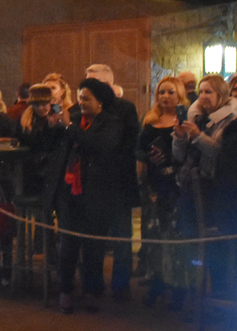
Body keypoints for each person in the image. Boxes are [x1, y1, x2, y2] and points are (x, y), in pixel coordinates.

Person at [54, 78, 122, 314]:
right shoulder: (72, 119)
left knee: (94, 245)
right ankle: (65, 291)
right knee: (68, 245)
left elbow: (99, 146)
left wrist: (69, 129)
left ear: (100, 103)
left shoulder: (111, 123)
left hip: (97, 192)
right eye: (80, 97)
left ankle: (93, 291)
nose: (81, 103)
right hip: (70, 192)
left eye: (86, 99)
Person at [172, 74, 237, 303]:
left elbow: (221, 156)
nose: (202, 97)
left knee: (216, 245)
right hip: (193, 187)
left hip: (216, 191)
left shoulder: (231, 120)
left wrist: (198, 137)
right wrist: (180, 138)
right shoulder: (197, 118)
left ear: (221, 95)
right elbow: (180, 156)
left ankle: (217, 294)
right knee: (192, 240)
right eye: (200, 92)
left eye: (208, 92)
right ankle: (195, 293)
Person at [85, 64, 139, 303]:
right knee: (93, 239)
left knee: (121, 238)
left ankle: (120, 286)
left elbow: (128, 144)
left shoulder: (125, 109)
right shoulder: (82, 109)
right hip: (91, 184)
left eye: (93, 83)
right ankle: (93, 285)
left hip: (118, 182)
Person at [136, 77, 188, 307]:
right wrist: (148, 159)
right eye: (161, 92)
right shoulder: (150, 122)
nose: (165, 96)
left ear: (179, 95)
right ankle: (157, 283)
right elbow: (138, 152)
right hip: (154, 184)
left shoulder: (185, 120)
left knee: (174, 236)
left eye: (170, 92)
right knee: (154, 234)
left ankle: (178, 287)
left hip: (176, 184)